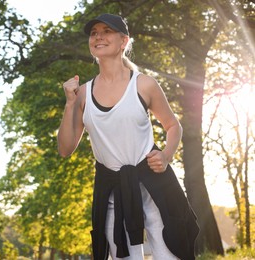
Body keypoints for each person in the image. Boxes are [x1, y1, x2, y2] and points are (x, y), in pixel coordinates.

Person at [57, 13, 199, 260]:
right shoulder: (82, 95)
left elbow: (173, 126)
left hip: (154, 186)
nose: (98, 36)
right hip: (112, 191)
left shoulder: (144, 85)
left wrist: (165, 155)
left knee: (170, 255)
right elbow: (65, 149)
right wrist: (69, 104)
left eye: (107, 31)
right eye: (94, 33)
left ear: (124, 41)